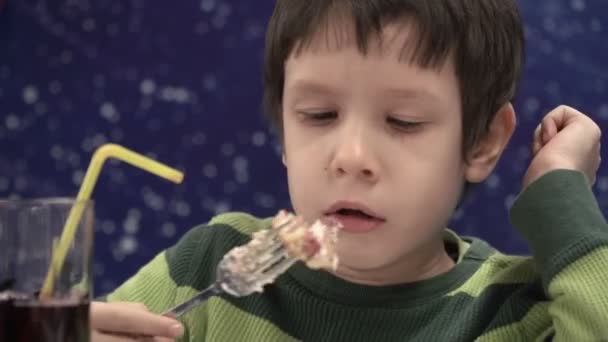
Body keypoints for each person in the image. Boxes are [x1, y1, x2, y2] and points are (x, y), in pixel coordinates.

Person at [91, 0, 606, 341]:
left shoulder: (515, 312)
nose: (351, 156)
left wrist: (560, 193)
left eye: (403, 122)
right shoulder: (201, 273)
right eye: (319, 116)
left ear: (482, 141)